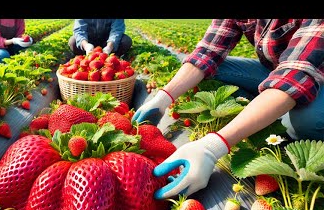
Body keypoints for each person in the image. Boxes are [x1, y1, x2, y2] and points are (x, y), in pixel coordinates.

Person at [133, 19, 324, 200]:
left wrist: (212, 147)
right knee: (212, 71)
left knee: (305, 121)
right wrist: (163, 97)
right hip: (276, 69)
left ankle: (271, 111)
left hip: (313, 75)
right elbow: (207, 52)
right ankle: (264, 109)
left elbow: (295, 76)